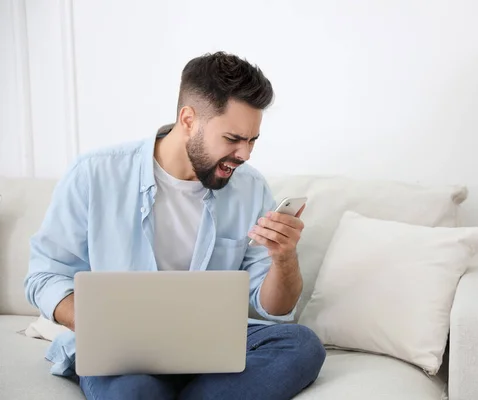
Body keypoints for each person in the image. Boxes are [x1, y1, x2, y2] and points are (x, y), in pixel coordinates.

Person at [24, 51, 326, 400]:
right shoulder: (95, 173)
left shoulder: (250, 186)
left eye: (252, 140)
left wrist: (283, 259)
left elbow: (271, 309)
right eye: (232, 139)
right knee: (133, 390)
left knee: (302, 344)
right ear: (187, 120)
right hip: (126, 352)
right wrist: (101, 329)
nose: (245, 155)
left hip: (212, 342)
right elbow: (45, 274)